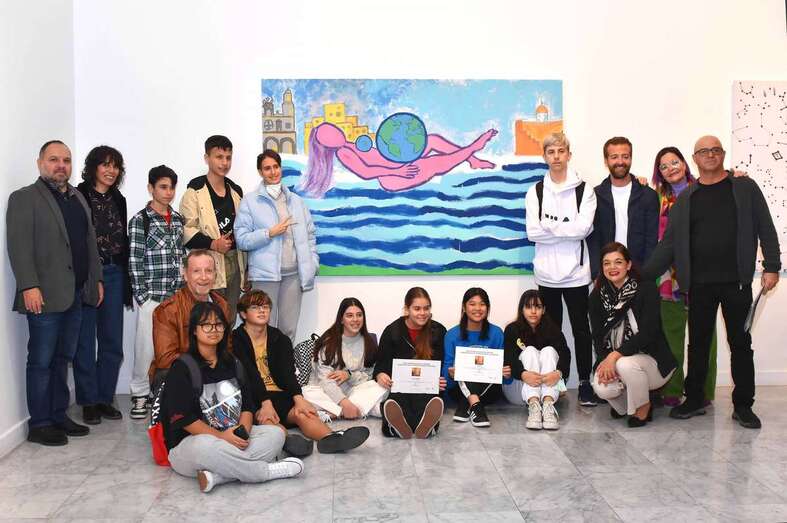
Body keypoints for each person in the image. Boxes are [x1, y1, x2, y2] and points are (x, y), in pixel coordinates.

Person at [644, 135, 781, 428]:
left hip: (737, 283)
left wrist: (772, 267)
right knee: (698, 345)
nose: (710, 155)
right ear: (695, 158)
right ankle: (694, 399)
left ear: (722, 154)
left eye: (715, 150)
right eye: (704, 151)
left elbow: (765, 227)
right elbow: (668, 245)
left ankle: (743, 405)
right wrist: (640, 277)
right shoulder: (686, 199)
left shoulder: (744, 187)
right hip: (699, 285)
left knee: (740, 344)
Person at [7, 140, 103, 445]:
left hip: (75, 293)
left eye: (66, 160)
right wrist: (28, 286)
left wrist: (96, 280)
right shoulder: (24, 198)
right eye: (53, 159)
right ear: (40, 163)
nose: (61, 165)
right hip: (43, 295)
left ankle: (59, 415)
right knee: (41, 361)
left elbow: (89, 243)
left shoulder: (77, 197)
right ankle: (40, 424)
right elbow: (19, 246)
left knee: (63, 358)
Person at [163, 301, 304, 493]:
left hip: (231, 438)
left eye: (218, 324)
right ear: (194, 330)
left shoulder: (233, 363)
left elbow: (247, 406)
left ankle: (220, 476)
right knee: (205, 446)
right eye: (206, 325)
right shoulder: (182, 367)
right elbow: (185, 419)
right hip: (193, 445)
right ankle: (264, 472)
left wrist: (242, 432)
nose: (214, 330)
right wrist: (222, 437)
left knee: (275, 434)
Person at [232, 290, 370, 454]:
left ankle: (332, 439)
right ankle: (288, 442)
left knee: (304, 413)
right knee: (268, 419)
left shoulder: (279, 338)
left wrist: (299, 399)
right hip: (253, 396)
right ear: (243, 314)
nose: (262, 311)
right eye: (255, 307)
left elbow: (288, 374)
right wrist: (265, 403)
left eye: (266, 307)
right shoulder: (235, 340)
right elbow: (249, 374)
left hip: (280, 394)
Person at [525, 132, 598, 406]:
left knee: (581, 330)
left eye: (560, 151)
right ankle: (556, 381)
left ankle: (585, 382)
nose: (556, 156)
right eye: (551, 152)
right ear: (545, 156)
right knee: (551, 333)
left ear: (569, 154)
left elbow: (583, 229)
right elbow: (533, 232)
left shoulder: (584, 190)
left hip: (576, 275)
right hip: (546, 276)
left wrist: (550, 226)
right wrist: (567, 228)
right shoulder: (535, 191)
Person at [650, 147, 718, 407]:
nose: (671, 169)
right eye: (664, 166)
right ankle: (672, 389)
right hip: (669, 277)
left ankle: (703, 391)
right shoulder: (656, 197)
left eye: (674, 162)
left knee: (705, 337)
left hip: (703, 273)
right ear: (659, 173)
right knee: (671, 337)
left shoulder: (704, 190)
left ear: (685, 163)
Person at [590, 242, 677, 427]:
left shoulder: (646, 289)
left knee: (624, 363)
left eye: (618, 262)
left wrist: (614, 356)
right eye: (607, 263)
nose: (612, 267)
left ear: (628, 265)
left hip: (652, 362)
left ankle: (643, 407)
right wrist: (605, 361)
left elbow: (648, 333)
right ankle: (626, 405)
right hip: (618, 361)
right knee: (601, 387)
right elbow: (598, 337)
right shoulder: (597, 296)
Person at [234, 149, 318, 342]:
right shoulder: (250, 201)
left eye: (276, 167)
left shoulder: (296, 201)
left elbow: (310, 236)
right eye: (267, 168)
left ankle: (285, 362)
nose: (273, 172)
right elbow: (242, 239)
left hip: (293, 275)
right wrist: (269, 233)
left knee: (288, 329)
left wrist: (311, 264)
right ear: (260, 172)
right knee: (263, 328)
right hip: (265, 277)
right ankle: (264, 363)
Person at [74, 145, 131, 425]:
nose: (111, 170)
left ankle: (104, 399)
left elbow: (122, 239)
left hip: (115, 273)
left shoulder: (119, 199)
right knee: (85, 341)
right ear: (93, 167)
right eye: (105, 164)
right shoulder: (78, 195)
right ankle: (88, 401)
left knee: (112, 341)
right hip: (88, 275)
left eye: (115, 166)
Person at [127, 165, 186, 419]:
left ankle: (165, 393)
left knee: (174, 349)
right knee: (145, 349)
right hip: (152, 296)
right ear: (151, 188)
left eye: (171, 187)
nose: (168, 192)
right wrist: (143, 297)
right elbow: (134, 260)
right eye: (163, 187)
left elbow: (181, 255)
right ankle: (140, 395)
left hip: (175, 296)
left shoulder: (178, 219)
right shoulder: (140, 220)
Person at [301, 122, 498, 196]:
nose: (336, 132)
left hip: (396, 164)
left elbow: (376, 154)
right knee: (432, 164)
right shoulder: (343, 153)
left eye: (333, 129)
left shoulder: (350, 144)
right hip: (392, 177)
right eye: (330, 135)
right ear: (327, 145)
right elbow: (366, 172)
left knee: (432, 140)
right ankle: (473, 148)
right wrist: (397, 170)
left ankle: (472, 159)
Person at [180, 135, 247, 323]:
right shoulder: (194, 191)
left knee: (229, 318)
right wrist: (213, 244)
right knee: (207, 320)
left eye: (228, 158)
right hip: (207, 264)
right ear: (206, 158)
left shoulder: (236, 191)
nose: (224, 162)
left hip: (235, 262)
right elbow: (186, 230)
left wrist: (247, 268)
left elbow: (244, 229)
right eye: (219, 157)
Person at [374, 287, 447, 439]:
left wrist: (440, 379)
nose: (422, 313)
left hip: (426, 387)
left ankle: (418, 426)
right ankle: (402, 426)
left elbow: (441, 364)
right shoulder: (392, 331)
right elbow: (381, 364)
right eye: (417, 308)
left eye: (426, 308)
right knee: (396, 401)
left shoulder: (438, 331)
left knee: (428, 400)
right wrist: (380, 375)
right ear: (407, 309)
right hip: (400, 387)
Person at [151, 250, 230, 384]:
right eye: (196, 271)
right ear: (185, 275)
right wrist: (207, 362)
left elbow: (227, 347)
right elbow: (166, 359)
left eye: (209, 271)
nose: (203, 277)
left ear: (215, 275)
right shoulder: (168, 310)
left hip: (215, 372)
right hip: (182, 375)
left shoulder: (222, 304)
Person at [303, 298, 388, 419]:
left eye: (359, 315)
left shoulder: (369, 342)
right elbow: (325, 381)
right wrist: (344, 402)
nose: (355, 319)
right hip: (325, 392)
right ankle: (360, 410)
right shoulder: (328, 342)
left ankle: (334, 413)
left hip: (353, 391)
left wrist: (349, 375)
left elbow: (369, 375)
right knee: (306, 393)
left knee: (381, 387)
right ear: (341, 319)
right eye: (349, 315)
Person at [588, 136, 659, 279]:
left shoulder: (648, 195)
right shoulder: (595, 195)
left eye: (625, 156)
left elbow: (651, 239)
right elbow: (593, 239)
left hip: (639, 272)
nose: (620, 161)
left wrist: (647, 273)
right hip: (607, 272)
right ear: (606, 161)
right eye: (614, 157)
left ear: (631, 159)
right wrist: (597, 273)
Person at [503, 290, 571, 430]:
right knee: (529, 351)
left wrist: (558, 374)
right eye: (528, 307)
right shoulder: (512, 329)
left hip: (548, 384)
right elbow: (509, 358)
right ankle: (534, 406)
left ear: (544, 310)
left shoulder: (553, 329)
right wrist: (523, 374)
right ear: (522, 309)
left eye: (538, 307)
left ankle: (547, 405)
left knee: (549, 351)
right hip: (520, 385)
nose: (533, 311)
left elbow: (565, 354)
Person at [442, 288, 506, 428]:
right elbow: (446, 376)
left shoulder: (497, 333)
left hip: (489, 391)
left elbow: (505, 378)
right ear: (464, 307)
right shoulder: (452, 335)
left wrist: (504, 372)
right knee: (462, 368)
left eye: (482, 304)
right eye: (472, 304)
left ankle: (466, 404)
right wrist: (451, 373)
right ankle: (476, 406)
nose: (477, 308)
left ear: (488, 308)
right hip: (458, 390)